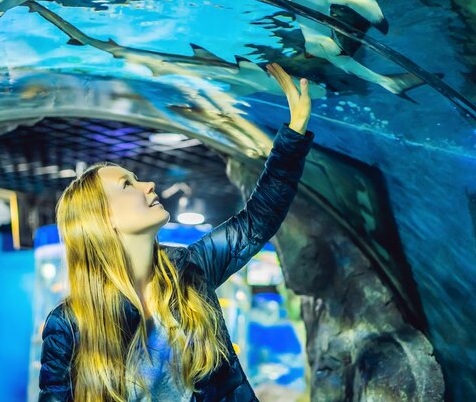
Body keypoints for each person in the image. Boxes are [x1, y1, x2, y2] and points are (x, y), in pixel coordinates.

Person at [38, 62, 314, 402]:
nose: (149, 185)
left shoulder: (190, 269)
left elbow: (257, 222)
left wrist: (294, 134)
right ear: (103, 219)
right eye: (128, 184)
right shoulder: (68, 325)